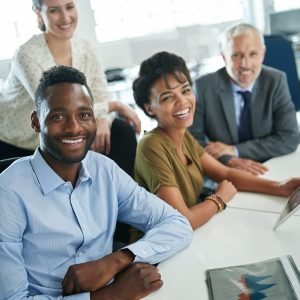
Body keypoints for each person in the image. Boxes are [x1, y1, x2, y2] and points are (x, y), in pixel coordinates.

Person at [0, 65, 193, 299]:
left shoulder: (104, 170)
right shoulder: (8, 193)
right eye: (58, 116)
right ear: (36, 122)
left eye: (84, 115)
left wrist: (116, 260)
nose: (74, 127)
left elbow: (177, 224)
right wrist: (113, 295)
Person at [132, 51, 300, 230]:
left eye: (186, 90)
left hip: (195, 235)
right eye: (167, 97)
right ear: (150, 108)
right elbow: (182, 222)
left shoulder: (182, 135)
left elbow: (225, 174)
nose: (182, 102)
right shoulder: (151, 146)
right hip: (161, 250)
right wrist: (219, 197)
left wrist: (280, 187)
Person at [0, 0, 140, 178]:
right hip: (17, 139)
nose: (65, 17)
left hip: (60, 128)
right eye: (54, 10)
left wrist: (103, 117)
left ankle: (120, 198)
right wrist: (115, 106)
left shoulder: (86, 47)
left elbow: (100, 93)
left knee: (119, 133)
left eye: (69, 7)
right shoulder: (26, 54)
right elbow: (52, 109)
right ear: (38, 13)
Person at [189, 23, 299, 176]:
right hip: (226, 171)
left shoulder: (276, 80)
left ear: (263, 53)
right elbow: (191, 141)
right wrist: (229, 159)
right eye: (236, 55)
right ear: (224, 56)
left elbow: (290, 138)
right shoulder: (203, 87)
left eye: (253, 54)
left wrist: (235, 150)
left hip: (270, 166)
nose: (245, 64)